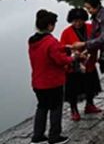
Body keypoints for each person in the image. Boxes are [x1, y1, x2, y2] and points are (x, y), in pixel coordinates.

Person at [29, 9, 79, 144]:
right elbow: (60, 60)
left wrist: (65, 48)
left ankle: (37, 136)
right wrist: (73, 57)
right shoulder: (51, 42)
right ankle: (54, 137)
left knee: (42, 107)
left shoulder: (33, 41)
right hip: (52, 82)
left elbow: (50, 51)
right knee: (56, 108)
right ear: (50, 26)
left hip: (38, 82)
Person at [60, 8, 102, 121]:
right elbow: (63, 49)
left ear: (84, 19)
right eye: (74, 21)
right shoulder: (66, 32)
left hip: (89, 62)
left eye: (80, 20)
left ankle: (90, 105)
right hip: (74, 67)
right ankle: (74, 110)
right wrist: (75, 53)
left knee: (90, 85)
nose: (77, 23)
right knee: (73, 89)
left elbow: (97, 41)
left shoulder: (90, 28)